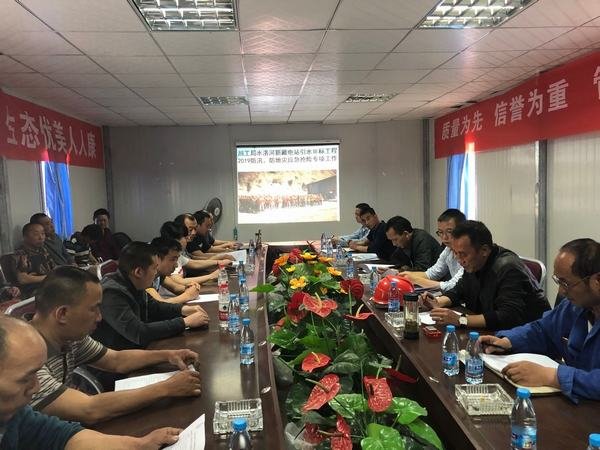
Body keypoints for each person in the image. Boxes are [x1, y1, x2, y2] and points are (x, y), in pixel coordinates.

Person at [29, 266, 202, 424]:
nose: (99, 317)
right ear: (62, 314)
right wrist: (167, 388)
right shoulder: (25, 358)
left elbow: (116, 360)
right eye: (93, 309)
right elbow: (89, 409)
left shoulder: (69, 337)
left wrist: (168, 355)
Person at [0, 315, 183, 449]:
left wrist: (139, 445)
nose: (36, 387)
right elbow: (89, 409)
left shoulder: (16, 414)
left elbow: (61, 436)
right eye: (25, 379)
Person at [481, 239, 600, 402]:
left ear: (597, 281)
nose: (561, 291)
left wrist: (552, 376)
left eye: (566, 283)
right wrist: (507, 341)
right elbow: (543, 330)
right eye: (558, 281)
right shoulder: (575, 306)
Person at [425, 220, 550, 330]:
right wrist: (437, 302)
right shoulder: (474, 263)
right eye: (455, 253)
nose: (459, 260)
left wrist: (461, 320)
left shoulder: (508, 267)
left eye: (463, 254)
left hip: (528, 336)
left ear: (484, 250)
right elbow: (459, 290)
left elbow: (507, 316)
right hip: (492, 331)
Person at [91, 241, 210, 352]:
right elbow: (138, 333)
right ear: (138, 272)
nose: (156, 272)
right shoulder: (111, 292)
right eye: (154, 268)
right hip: (119, 359)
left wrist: (183, 310)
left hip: (135, 350)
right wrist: (184, 322)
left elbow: (154, 307)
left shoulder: (134, 282)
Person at [399, 209, 466, 292]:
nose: (444, 237)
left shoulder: (468, 254)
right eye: (440, 232)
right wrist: (407, 275)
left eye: (449, 231)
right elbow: (433, 273)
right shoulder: (448, 249)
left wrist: (416, 280)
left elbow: (453, 285)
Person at [160, 221, 228, 285]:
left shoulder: (178, 255)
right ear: (176, 240)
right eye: (185, 237)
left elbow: (195, 263)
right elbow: (180, 282)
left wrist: (218, 262)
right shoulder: (168, 258)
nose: (188, 239)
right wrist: (211, 276)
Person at [147, 237, 201, 304]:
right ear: (157, 258)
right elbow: (160, 304)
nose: (176, 265)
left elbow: (175, 288)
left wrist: (189, 287)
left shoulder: (159, 275)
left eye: (176, 260)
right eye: (173, 259)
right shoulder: (145, 276)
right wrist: (188, 295)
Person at [12, 223, 57, 298]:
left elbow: (53, 267)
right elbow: (22, 279)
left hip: (48, 283)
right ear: (25, 237)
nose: (41, 237)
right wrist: (49, 277)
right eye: (36, 234)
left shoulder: (42, 250)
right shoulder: (20, 253)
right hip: (32, 290)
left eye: (43, 234)